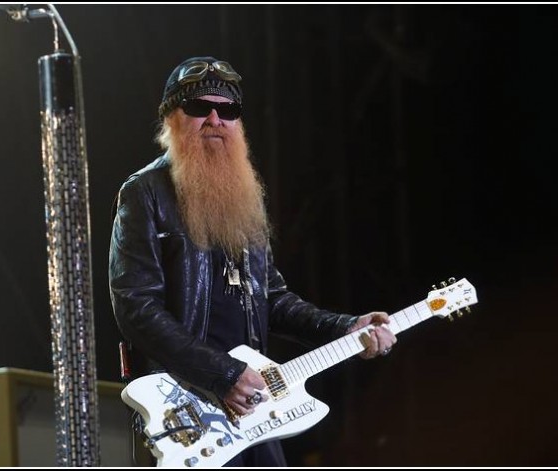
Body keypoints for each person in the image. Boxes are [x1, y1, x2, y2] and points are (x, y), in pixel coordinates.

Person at [108, 56, 397, 467]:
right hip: (188, 406)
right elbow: (136, 307)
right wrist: (222, 374)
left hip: (254, 403)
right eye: (198, 108)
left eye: (227, 110)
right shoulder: (145, 193)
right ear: (172, 118)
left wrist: (347, 328)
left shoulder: (244, 196)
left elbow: (273, 300)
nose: (214, 119)